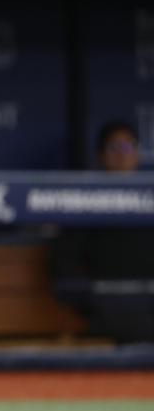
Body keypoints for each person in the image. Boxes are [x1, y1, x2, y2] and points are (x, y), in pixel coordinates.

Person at [52, 121, 154, 342]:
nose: (122, 155)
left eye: (128, 148)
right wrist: (93, 301)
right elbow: (61, 264)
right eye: (114, 148)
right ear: (100, 155)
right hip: (109, 308)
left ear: (137, 154)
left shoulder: (150, 198)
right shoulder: (86, 202)